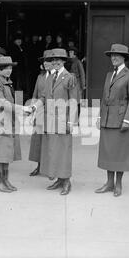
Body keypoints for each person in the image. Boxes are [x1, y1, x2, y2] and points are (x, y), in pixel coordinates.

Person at [30, 48, 78, 196]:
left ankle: (66, 181)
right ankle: (58, 179)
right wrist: (34, 106)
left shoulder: (69, 77)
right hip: (49, 121)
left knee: (63, 152)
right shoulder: (50, 77)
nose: (55, 62)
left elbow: (74, 101)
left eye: (59, 59)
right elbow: (44, 97)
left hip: (63, 121)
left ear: (64, 61)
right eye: (53, 59)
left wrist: (71, 122)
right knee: (53, 151)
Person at [95, 44, 129, 197]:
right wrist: (100, 116)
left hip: (121, 120)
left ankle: (118, 184)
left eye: (117, 55)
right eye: (112, 55)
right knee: (108, 152)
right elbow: (104, 98)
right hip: (108, 119)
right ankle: (109, 183)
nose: (113, 58)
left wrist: (127, 120)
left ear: (124, 58)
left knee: (120, 153)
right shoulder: (109, 75)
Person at [0, 56, 27, 193]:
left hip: (9, 119)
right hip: (0, 120)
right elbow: (2, 102)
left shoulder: (7, 81)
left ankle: (5, 180)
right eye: (6, 68)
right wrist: (21, 109)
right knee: (0, 152)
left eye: (10, 68)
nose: (9, 70)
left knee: (6, 152)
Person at [28, 50, 54, 176]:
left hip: (51, 113)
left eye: (49, 61)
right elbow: (35, 95)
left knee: (50, 142)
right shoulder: (40, 77)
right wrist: (32, 111)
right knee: (38, 141)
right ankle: (38, 166)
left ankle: (50, 169)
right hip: (39, 112)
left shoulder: (56, 77)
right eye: (45, 61)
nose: (46, 63)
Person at [68, 46, 86, 118]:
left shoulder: (78, 62)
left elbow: (82, 74)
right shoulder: (67, 62)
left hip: (77, 84)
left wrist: (83, 85)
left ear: (74, 53)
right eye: (69, 52)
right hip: (69, 84)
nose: (70, 53)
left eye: (71, 52)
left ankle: (77, 118)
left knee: (77, 102)